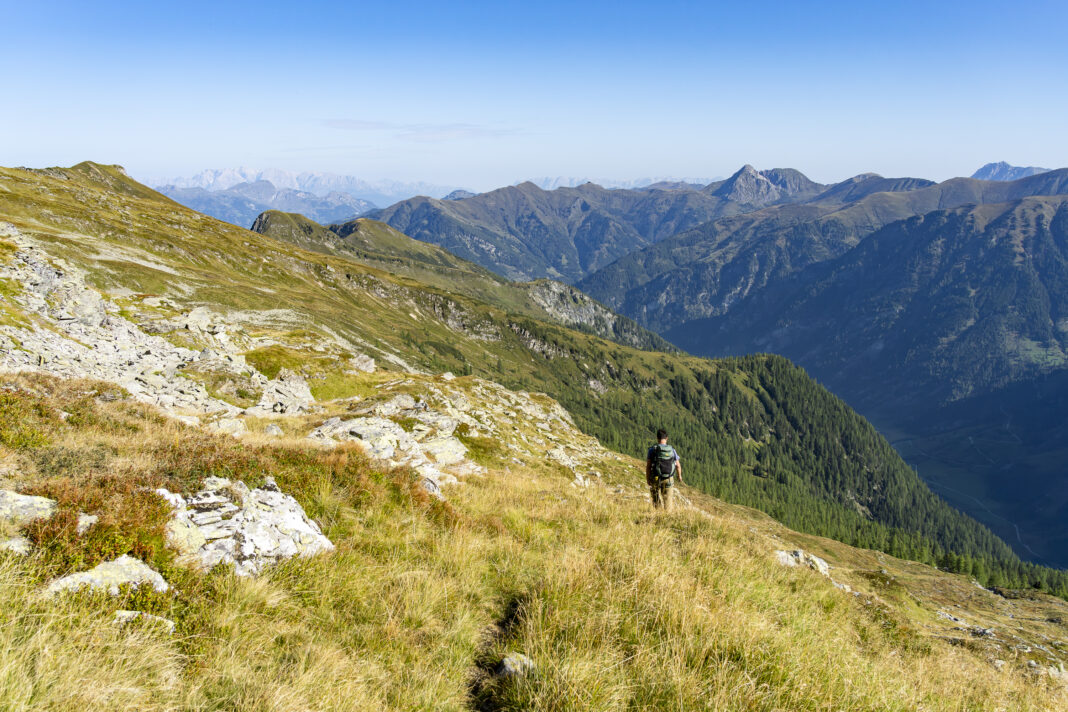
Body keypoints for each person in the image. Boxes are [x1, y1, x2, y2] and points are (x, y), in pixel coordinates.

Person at [646, 428, 682, 510]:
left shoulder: (652, 450)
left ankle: (658, 516)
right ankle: (667, 518)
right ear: (666, 438)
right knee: (668, 500)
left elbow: (648, 466)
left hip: (655, 477)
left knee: (655, 498)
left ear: (657, 438)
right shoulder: (672, 450)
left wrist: (648, 478)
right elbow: (678, 465)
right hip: (668, 478)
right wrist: (679, 476)